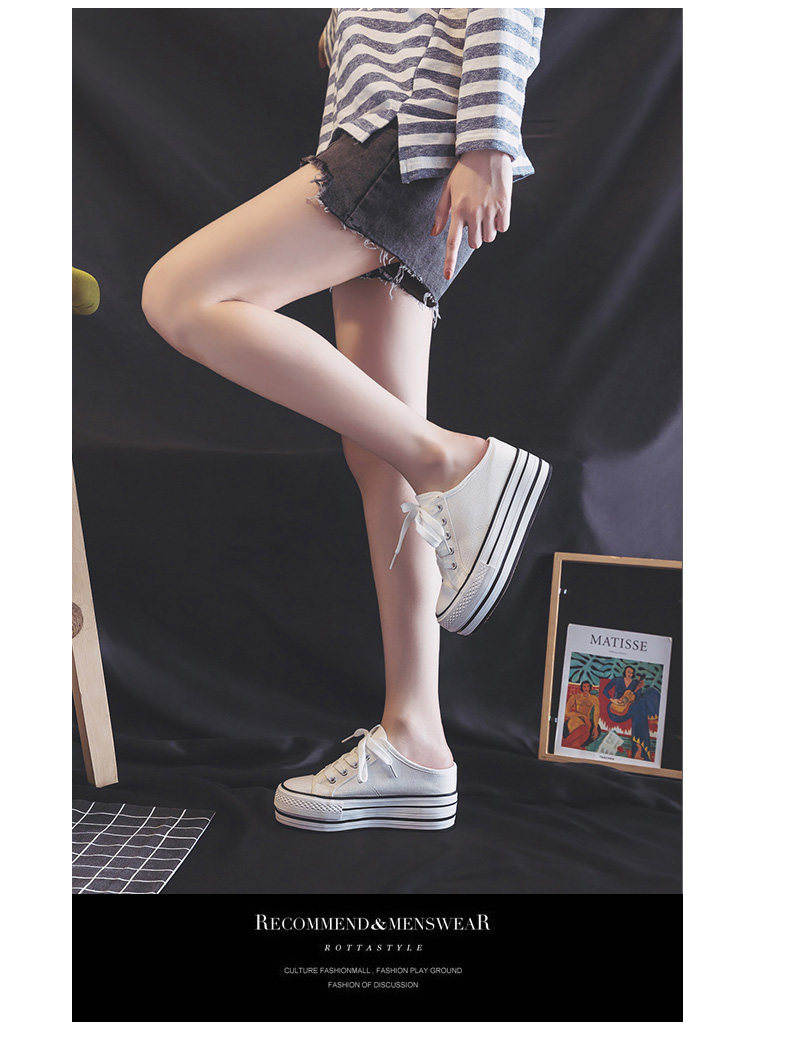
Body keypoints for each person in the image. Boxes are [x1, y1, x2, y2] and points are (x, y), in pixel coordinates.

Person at [141, 8, 550, 832]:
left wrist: (487, 139)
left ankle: (454, 462)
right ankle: (418, 738)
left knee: (180, 295)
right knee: (378, 453)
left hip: (406, 128)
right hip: (401, 122)